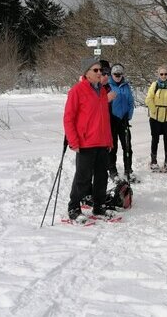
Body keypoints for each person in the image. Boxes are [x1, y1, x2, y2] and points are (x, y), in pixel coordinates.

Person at [64, 57, 114, 219]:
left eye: (101, 70)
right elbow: (68, 118)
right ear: (86, 73)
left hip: (102, 142)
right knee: (83, 178)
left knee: (102, 177)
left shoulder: (102, 91)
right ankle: (74, 208)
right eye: (96, 70)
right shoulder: (77, 91)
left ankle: (99, 206)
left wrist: (109, 140)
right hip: (85, 142)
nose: (100, 73)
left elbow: (104, 118)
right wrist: (73, 141)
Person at [145, 65, 167, 172]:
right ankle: (154, 161)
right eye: (161, 74)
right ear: (158, 74)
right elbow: (148, 99)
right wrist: (154, 110)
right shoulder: (154, 85)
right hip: (155, 117)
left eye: (165, 74)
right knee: (155, 139)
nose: (164, 76)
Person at [108, 63, 136, 182]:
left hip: (124, 121)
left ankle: (128, 170)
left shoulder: (126, 86)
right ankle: (112, 171)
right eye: (115, 74)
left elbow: (131, 102)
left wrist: (128, 116)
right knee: (112, 148)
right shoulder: (108, 86)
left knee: (127, 147)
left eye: (120, 74)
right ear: (112, 74)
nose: (118, 76)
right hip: (112, 121)